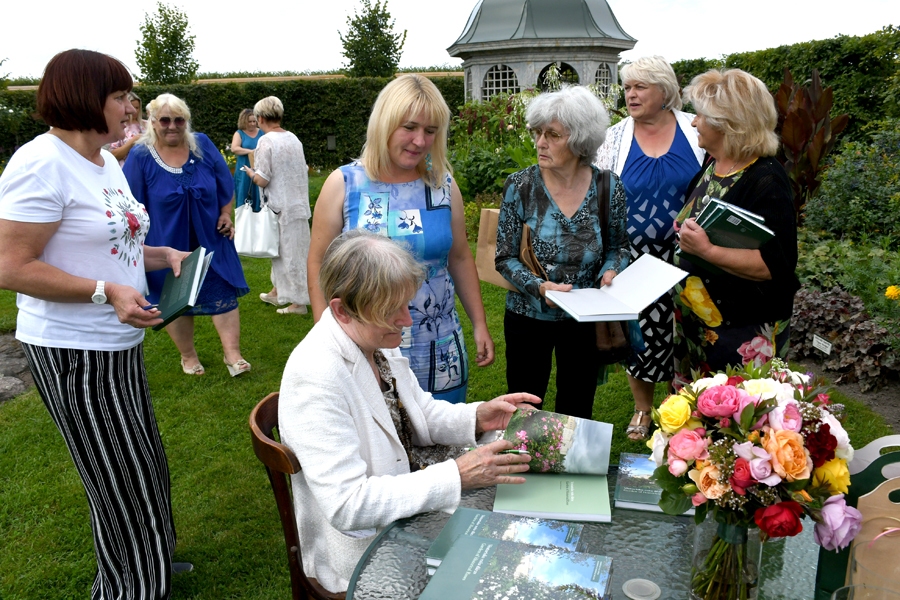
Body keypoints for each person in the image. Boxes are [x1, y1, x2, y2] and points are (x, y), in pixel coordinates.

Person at [0, 49, 190, 600]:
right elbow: (11, 265)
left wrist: (161, 256)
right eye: (120, 96)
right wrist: (104, 291)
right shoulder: (40, 163)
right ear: (87, 99)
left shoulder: (104, 160)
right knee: (114, 473)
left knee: (142, 457)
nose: (131, 106)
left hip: (117, 339)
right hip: (72, 347)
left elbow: (110, 240)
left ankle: (150, 558)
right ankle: (128, 587)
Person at [279, 229, 539, 593]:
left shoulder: (372, 338)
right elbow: (348, 505)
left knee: (521, 509)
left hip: (409, 500)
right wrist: (456, 476)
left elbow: (418, 411)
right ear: (341, 309)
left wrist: (477, 416)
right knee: (506, 549)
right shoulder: (315, 377)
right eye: (392, 309)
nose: (407, 320)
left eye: (407, 304)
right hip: (367, 550)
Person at [308, 74, 494, 404]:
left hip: (440, 345)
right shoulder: (344, 184)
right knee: (381, 442)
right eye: (409, 127)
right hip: (368, 345)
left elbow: (461, 257)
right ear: (385, 124)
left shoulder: (443, 186)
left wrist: (479, 323)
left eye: (430, 131)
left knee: (444, 439)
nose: (420, 141)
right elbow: (318, 262)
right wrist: (327, 337)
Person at [496, 85, 630, 420]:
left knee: (577, 406)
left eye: (553, 135)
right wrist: (540, 288)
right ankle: (525, 467)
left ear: (580, 140)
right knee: (525, 408)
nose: (541, 142)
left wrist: (610, 271)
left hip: (583, 318)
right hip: (528, 315)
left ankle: (571, 472)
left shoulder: (608, 186)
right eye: (538, 133)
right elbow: (504, 257)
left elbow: (618, 246)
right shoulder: (520, 186)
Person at [594, 56, 705, 441]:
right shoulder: (613, 138)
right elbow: (599, 196)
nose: (631, 94)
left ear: (664, 90)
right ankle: (643, 409)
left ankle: (687, 406)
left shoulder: (695, 129)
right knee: (640, 334)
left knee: (688, 332)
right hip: (633, 260)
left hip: (691, 257)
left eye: (640, 86)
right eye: (627, 87)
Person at [672, 69, 799, 386]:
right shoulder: (713, 162)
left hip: (741, 328)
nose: (693, 122)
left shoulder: (767, 180)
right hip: (696, 320)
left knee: (737, 422)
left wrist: (707, 250)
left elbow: (775, 264)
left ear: (727, 123)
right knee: (693, 421)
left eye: (700, 115)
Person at [123, 93, 251, 377]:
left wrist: (226, 213)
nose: (172, 126)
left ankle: (233, 354)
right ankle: (188, 356)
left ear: (186, 121)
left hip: (211, 236)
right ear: (153, 122)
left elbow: (224, 182)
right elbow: (131, 204)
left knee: (223, 293)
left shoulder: (202, 144)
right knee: (175, 301)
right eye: (165, 120)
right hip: (166, 242)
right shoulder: (141, 155)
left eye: (179, 119)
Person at [242, 96, 310, 315]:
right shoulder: (294, 138)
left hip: (280, 205)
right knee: (284, 251)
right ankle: (278, 290)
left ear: (261, 118)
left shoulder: (266, 140)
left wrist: (251, 173)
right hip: (297, 202)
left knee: (289, 254)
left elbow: (263, 178)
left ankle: (299, 303)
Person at [231, 108, 264, 211]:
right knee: (243, 193)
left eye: (254, 121)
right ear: (244, 121)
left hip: (259, 168)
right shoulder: (239, 133)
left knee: (259, 193)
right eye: (250, 121)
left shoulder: (262, 132)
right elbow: (234, 148)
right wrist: (251, 151)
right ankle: (243, 218)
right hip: (244, 170)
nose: (253, 124)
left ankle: (259, 217)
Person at [108, 91, 146, 166]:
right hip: (126, 168)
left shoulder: (147, 125)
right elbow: (114, 155)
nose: (134, 110)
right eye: (132, 106)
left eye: (137, 107)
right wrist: (133, 141)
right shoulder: (119, 126)